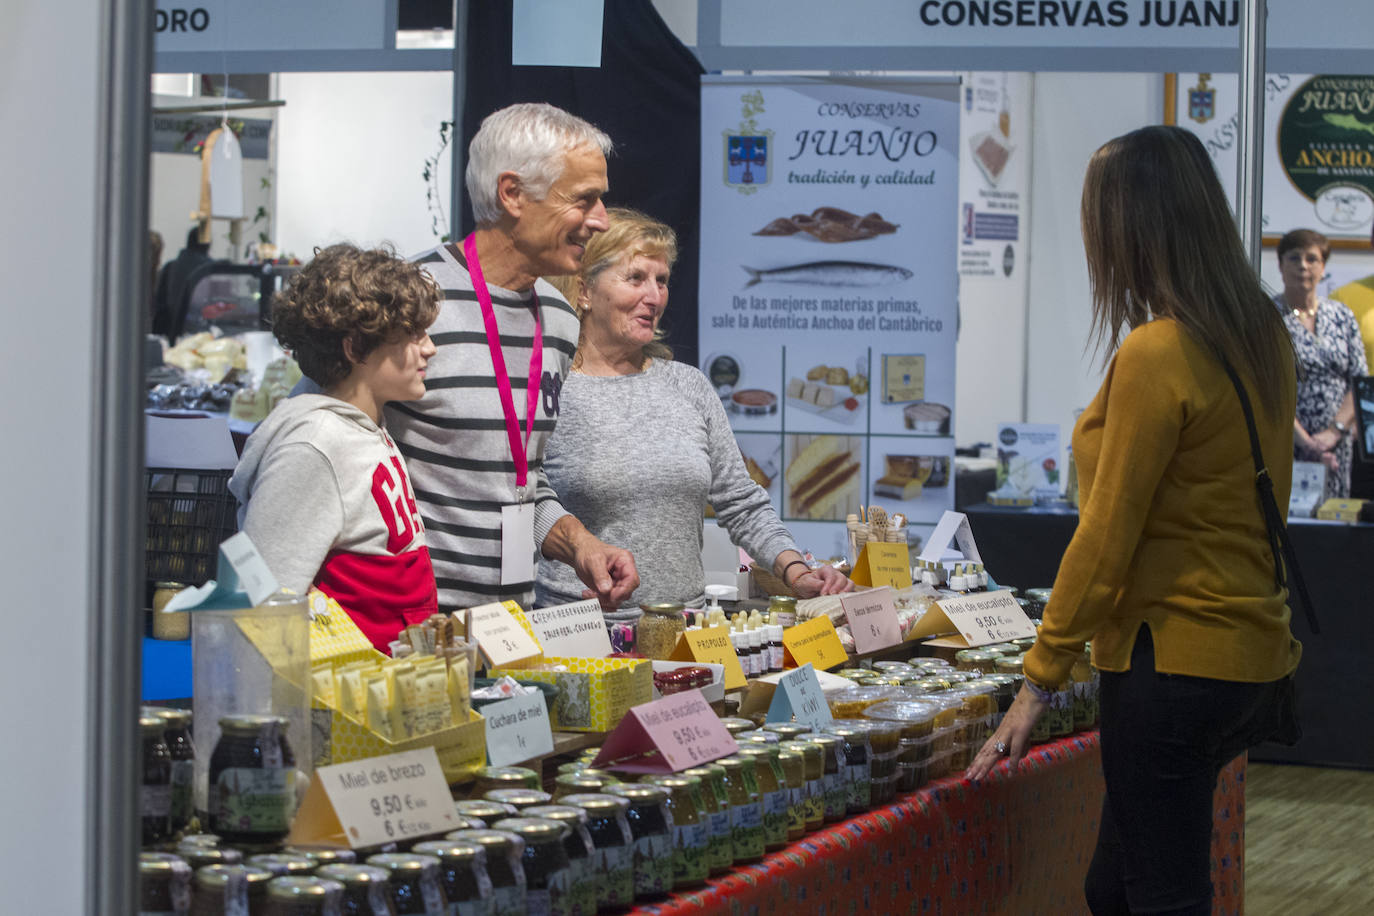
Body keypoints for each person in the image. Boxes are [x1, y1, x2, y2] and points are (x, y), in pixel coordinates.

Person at [966, 126, 1302, 916]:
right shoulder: (1259, 332)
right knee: (1113, 888)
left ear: (1132, 226)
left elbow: (1106, 536)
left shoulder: (1157, 352)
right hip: (1247, 653)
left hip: (1173, 661)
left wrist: (1039, 680)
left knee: (1160, 896)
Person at [535, 209, 852, 608]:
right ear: (584, 291)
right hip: (581, 633)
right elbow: (525, 502)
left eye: (662, 280)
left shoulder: (688, 385)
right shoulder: (551, 387)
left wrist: (796, 570)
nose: (654, 297)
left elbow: (741, 501)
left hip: (686, 631)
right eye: (636, 278)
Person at [392, 103, 638, 612]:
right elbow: (326, 443)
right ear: (512, 194)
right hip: (411, 633)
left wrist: (579, 544)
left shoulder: (559, 319)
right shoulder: (403, 301)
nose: (602, 220)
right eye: (585, 199)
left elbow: (520, 478)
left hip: (509, 631)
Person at [229, 244, 441, 652]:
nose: (429, 348)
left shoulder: (365, 428)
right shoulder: (315, 443)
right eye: (413, 334)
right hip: (337, 705)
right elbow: (267, 604)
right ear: (356, 348)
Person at [1274, 228, 1368, 499]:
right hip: (1287, 445)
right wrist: (1306, 442)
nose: (1303, 266)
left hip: (1337, 447)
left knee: (1335, 533)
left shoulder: (1341, 315)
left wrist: (1334, 432)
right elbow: (1264, 386)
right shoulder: (1267, 318)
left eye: (1312, 258)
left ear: (1323, 266)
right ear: (1280, 266)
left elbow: (1358, 380)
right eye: (1294, 258)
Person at [153, 226, 212, 338]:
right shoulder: (210, 271)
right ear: (208, 245)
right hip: (199, 334)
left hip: (168, 334)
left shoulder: (170, 268)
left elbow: (160, 307)